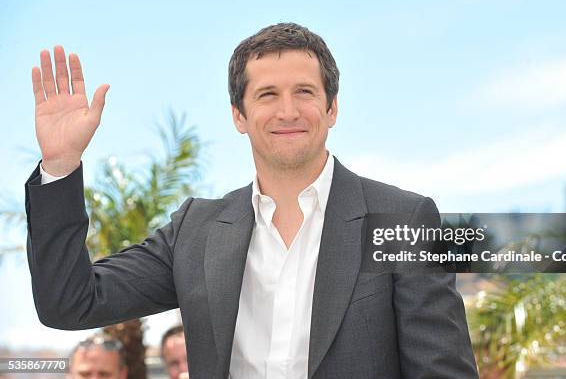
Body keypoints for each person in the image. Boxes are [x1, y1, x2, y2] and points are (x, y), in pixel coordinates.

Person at [26, 22, 478, 378]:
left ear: (332, 108)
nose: (287, 111)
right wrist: (61, 166)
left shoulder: (402, 218)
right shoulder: (195, 232)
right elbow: (70, 302)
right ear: (239, 116)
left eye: (305, 92)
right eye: (267, 95)